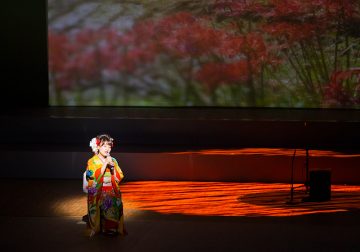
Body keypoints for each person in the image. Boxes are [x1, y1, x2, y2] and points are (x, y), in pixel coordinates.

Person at [84, 134, 126, 237]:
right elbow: (91, 178)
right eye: (104, 146)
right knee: (107, 200)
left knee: (115, 201)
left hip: (111, 188)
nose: (107, 148)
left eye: (109, 146)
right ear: (98, 147)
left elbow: (118, 177)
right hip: (99, 190)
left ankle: (111, 227)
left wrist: (112, 169)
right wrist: (104, 164)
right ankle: (102, 226)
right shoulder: (92, 161)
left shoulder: (113, 160)